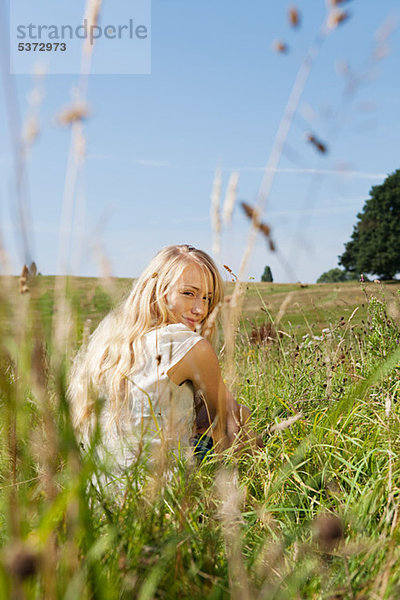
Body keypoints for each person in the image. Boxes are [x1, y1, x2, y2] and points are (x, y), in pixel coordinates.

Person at [68, 244, 260, 476]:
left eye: (207, 298)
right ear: (158, 290)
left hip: (101, 498)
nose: (200, 309)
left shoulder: (112, 341)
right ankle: (267, 488)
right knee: (240, 414)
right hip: (162, 500)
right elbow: (229, 422)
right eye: (188, 293)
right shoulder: (191, 347)